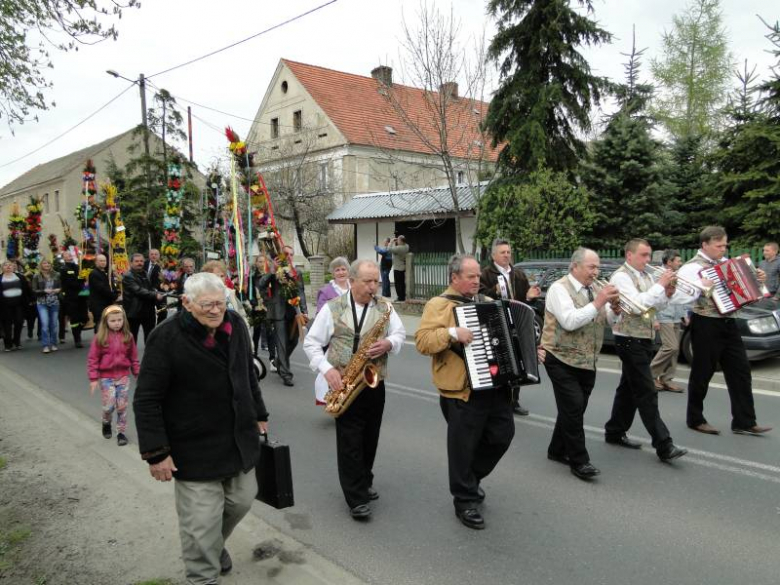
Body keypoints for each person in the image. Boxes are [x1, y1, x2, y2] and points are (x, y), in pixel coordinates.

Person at [134, 272, 268, 584]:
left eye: (219, 304)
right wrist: (156, 452)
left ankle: (213, 544)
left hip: (238, 440)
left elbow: (246, 373)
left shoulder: (236, 326)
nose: (214, 310)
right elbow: (147, 398)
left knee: (243, 500)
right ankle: (203, 574)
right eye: (206, 304)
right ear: (187, 303)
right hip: (193, 448)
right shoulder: (166, 337)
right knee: (201, 522)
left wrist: (259, 412)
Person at [415, 254, 539, 530]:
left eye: (477, 276)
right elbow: (422, 342)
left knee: (502, 436)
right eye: (470, 276)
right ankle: (465, 500)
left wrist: (528, 351)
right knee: (463, 448)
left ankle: (469, 480)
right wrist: (451, 333)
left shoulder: (485, 303)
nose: (476, 281)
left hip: (495, 387)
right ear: (454, 278)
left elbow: (508, 337)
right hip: (462, 390)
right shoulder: (439, 305)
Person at [303, 259, 405, 520]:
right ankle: (356, 497)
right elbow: (312, 344)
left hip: (373, 383)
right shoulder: (332, 308)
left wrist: (388, 344)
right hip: (344, 383)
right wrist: (328, 369)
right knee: (350, 442)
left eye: (376, 282)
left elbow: (400, 333)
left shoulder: (384, 307)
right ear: (352, 280)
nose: (373, 287)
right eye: (368, 282)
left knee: (370, 437)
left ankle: (364, 480)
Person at [677, 226, 773, 436]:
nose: (723, 249)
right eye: (718, 245)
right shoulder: (691, 268)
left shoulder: (726, 265)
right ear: (705, 245)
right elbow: (680, 297)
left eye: (724, 245)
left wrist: (759, 281)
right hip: (705, 322)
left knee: (741, 371)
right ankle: (695, 419)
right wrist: (701, 285)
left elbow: (744, 291)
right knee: (703, 372)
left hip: (729, 323)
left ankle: (744, 421)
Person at [603, 239, 688, 463]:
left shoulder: (647, 276)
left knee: (629, 389)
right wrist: (661, 285)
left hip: (644, 337)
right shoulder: (622, 277)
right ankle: (663, 444)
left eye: (649, 255)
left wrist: (667, 292)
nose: (648, 260)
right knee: (646, 391)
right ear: (629, 255)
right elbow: (639, 303)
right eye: (643, 255)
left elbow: (654, 307)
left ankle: (614, 430)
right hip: (628, 339)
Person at [543, 248, 620, 480]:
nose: (596, 272)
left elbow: (607, 320)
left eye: (597, 267)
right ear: (575, 266)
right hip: (559, 356)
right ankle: (579, 461)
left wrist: (615, 310)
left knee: (574, 408)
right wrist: (599, 302)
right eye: (591, 267)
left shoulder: (595, 288)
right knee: (574, 407)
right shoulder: (559, 288)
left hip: (587, 358)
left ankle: (556, 450)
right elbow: (569, 321)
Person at [479, 237, 541, 416]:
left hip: (517, 324)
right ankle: (495, 397)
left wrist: (530, 296)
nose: (506, 255)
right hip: (496, 324)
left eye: (508, 252)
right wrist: (494, 291)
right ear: (493, 255)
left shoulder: (518, 274)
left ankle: (514, 400)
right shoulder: (486, 274)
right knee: (498, 361)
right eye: (502, 252)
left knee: (517, 361)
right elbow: (480, 297)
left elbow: (524, 300)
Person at [255, 247, 308, 387]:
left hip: (294, 312)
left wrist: (304, 311)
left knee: (294, 341)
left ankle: (279, 361)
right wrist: (272, 271)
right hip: (278, 312)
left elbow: (301, 292)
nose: (289, 256)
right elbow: (261, 285)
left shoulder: (297, 272)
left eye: (291, 254)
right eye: (286, 254)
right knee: (282, 343)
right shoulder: (274, 270)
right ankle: (285, 374)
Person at [88, 305, 139, 447]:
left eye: (119, 320)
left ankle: (121, 432)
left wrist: (137, 375)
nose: (117, 323)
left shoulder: (128, 337)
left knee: (122, 406)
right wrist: (93, 379)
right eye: (113, 321)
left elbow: (134, 358)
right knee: (109, 406)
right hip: (107, 378)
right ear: (106, 322)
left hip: (123, 377)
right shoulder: (100, 338)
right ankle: (106, 422)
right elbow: (93, 359)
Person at [312, 257, 351, 405]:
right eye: (337, 270)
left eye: (343, 269)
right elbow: (321, 315)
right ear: (333, 273)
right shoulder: (326, 291)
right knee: (337, 372)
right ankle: (336, 400)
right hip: (335, 338)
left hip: (355, 337)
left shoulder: (353, 287)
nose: (341, 272)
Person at [649, 249, 689, 393]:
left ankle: (667, 379)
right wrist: (654, 318)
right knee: (670, 347)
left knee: (675, 350)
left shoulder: (677, 275)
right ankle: (650, 375)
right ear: (669, 261)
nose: (680, 262)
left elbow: (680, 295)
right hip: (663, 315)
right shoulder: (657, 274)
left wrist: (684, 313)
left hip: (676, 315)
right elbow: (652, 297)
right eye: (678, 260)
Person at [122, 253, 164, 344]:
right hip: (134, 312)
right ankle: (131, 358)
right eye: (136, 261)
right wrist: (155, 295)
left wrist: (158, 291)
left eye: (141, 261)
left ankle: (150, 357)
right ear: (131, 263)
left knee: (150, 338)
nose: (139, 263)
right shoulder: (128, 276)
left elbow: (149, 288)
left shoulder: (145, 273)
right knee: (132, 339)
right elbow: (138, 291)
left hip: (148, 311)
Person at [201, 260, 249, 331]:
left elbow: (241, 315)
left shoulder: (230, 293)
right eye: (216, 276)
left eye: (222, 276)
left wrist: (244, 332)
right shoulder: (202, 295)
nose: (220, 279)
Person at [59, 250, 89, 348]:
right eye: (67, 255)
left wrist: (84, 276)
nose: (70, 256)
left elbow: (83, 278)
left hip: (82, 297)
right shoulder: (64, 269)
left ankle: (78, 332)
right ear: (64, 258)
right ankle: (77, 339)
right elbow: (70, 282)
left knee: (85, 318)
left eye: (71, 254)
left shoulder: (77, 267)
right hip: (71, 298)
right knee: (74, 319)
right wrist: (80, 280)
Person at [1, 260, 32, 351]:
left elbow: (27, 289)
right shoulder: (0, 278)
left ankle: (16, 341)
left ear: (13, 267)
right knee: (7, 324)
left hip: (19, 304)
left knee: (19, 322)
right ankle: (8, 344)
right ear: (2, 268)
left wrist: (31, 299)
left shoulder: (20, 277)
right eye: (5, 265)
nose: (8, 267)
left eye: (10, 265)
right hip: (5, 305)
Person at [31, 259, 61, 353]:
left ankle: (53, 343)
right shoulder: (37, 276)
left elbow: (61, 286)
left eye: (48, 263)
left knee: (54, 324)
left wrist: (58, 290)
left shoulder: (57, 274)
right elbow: (34, 290)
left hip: (54, 302)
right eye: (44, 263)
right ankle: (45, 345)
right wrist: (44, 291)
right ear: (41, 265)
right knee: (45, 324)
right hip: (42, 302)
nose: (47, 264)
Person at [88, 254, 120, 332]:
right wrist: (115, 297)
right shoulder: (94, 274)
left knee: (107, 324)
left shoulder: (106, 273)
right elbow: (102, 289)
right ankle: (98, 342)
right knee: (100, 324)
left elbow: (111, 286)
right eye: (101, 261)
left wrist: (116, 292)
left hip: (107, 303)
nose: (103, 262)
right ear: (96, 262)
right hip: (98, 304)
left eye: (104, 261)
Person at [144, 248, 168, 323]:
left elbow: (164, 280)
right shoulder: (144, 263)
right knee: (149, 314)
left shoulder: (164, 265)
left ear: (159, 256)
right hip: (147, 293)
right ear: (149, 255)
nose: (154, 256)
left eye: (156, 254)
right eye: (152, 254)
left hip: (160, 293)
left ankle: (159, 329)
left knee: (163, 313)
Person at [387, 235, 410, 302]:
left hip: (397, 267)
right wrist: (399, 240)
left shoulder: (399, 248)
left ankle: (400, 297)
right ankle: (403, 295)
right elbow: (398, 247)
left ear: (401, 241)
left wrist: (391, 242)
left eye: (398, 240)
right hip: (403, 267)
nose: (397, 241)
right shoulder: (406, 246)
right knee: (402, 283)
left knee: (398, 284)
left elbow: (389, 249)